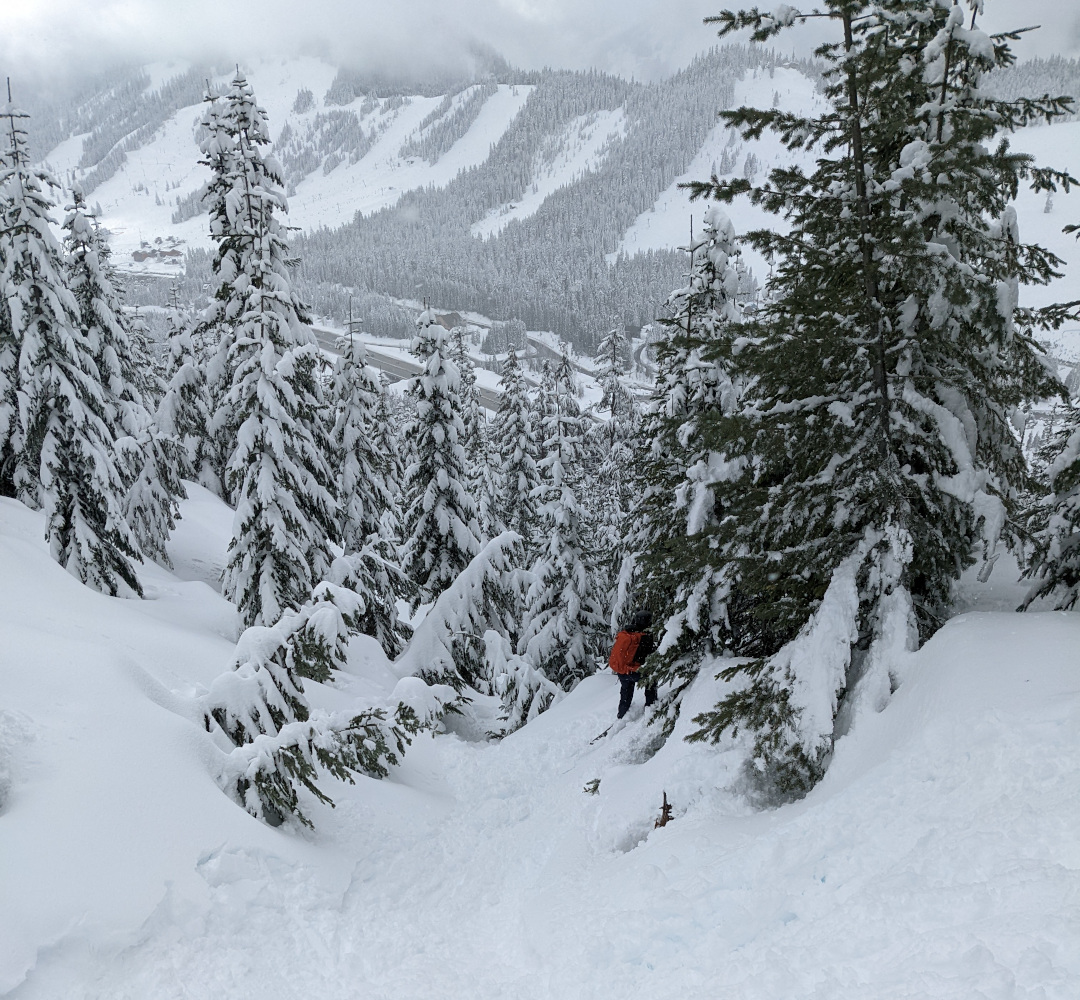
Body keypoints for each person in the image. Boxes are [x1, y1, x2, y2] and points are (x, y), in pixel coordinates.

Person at [609, 608, 657, 719]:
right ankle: (651, 707)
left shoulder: (627, 632)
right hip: (632, 670)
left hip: (622, 670)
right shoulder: (644, 637)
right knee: (651, 679)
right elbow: (645, 657)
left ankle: (622, 714)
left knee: (626, 691)